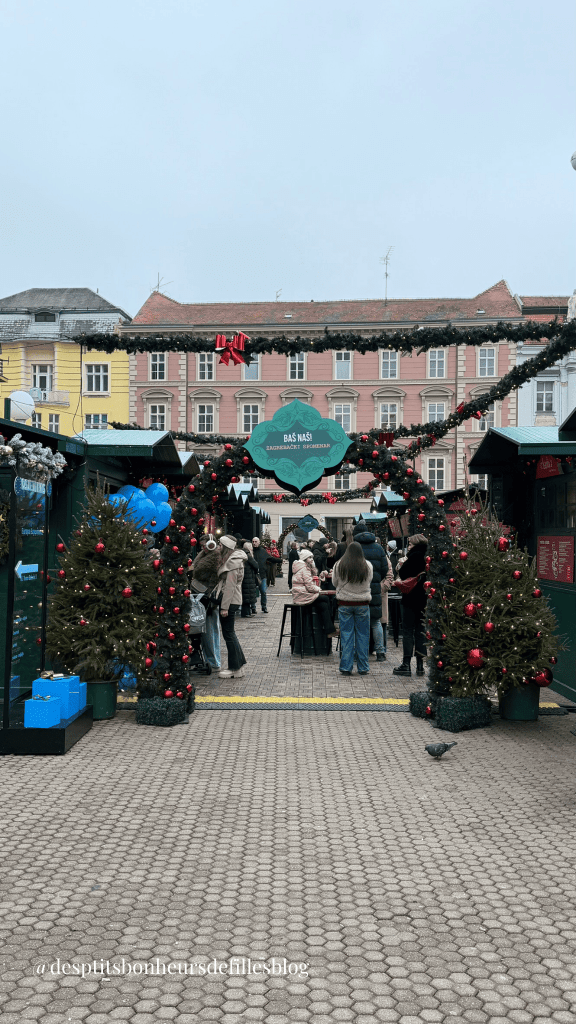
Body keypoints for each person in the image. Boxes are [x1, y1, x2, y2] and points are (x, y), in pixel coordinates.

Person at [332, 542, 373, 675]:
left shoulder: (339, 565)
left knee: (346, 635)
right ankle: (363, 667)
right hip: (362, 603)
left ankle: (346, 666)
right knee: (363, 635)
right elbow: (369, 581)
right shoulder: (367, 565)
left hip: (344, 603)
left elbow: (334, 582)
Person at [352, 523, 390, 662]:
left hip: (358, 588)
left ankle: (358, 652)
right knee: (376, 622)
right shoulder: (378, 548)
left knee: (358, 622)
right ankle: (380, 652)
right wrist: (377, 578)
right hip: (375, 588)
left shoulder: (355, 548)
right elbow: (385, 568)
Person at [392, 533, 428, 677]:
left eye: (410, 544)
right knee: (420, 631)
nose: (409, 546)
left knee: (407, 631)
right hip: (424, 599)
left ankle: (406, 664)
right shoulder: (428, 556)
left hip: (410, 598)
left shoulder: (413, 556)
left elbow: (403, 572)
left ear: (415, 544)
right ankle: (420, 666)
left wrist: (403, 563)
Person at [215, 535, 247, 679]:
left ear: (226, 546)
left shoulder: (233, 562)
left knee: (229, 634)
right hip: (232, 601)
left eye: (220, 545)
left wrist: (224, 607)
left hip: (230, 601)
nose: (218, 547)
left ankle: (235, 668)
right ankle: (238, 666)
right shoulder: (233, 560)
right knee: (230, 634)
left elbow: (230, 586)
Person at [190, 535, 221, 673]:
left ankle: (213, 661)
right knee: (205, 630)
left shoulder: (215, 557)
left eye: (204, 544)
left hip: (206, 598)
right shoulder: (203, 555)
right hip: (199, 595)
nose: (203, 547)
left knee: (210, 630)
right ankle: (210, 660)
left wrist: (210, 596)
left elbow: (215, 580)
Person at [291, 549, 338, 638]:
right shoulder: (304, 569)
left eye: (312, 557)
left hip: (301, 595)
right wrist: (319, 589)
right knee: (325, 598)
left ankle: (330, 629)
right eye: (309, 557)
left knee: (323, 604)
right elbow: (310, 587)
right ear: (305, 559)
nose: (312, 559)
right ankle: (330, 627)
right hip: (303, 595)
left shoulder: (302, 568)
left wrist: (318, 575)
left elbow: (310, 583)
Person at [252, 537, 281, 612]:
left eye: (255, 541)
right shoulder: (251, 551)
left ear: (259, 542)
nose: (254, 543)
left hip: (262, 574)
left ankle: (264, 606)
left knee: (263, 591)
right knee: (253, 591)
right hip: (253, 574)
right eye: (253, 541)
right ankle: (253, 607)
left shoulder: (262, 551)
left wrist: (280, 560)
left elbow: (270, 558)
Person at [379, 551, 395, 658]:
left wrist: (383, 588)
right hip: (371, 592)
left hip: (380, 593)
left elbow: (390, 575)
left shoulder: (383, 557)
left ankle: (382, 649)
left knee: (382, 622)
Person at [241, 542, 261, 617]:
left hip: (245, 577)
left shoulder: (242, 554)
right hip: (248, 578)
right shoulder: (248, 555)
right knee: (247, 596)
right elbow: (255, 565)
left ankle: (247, 612)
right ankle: (246, 613)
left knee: (245, 595)